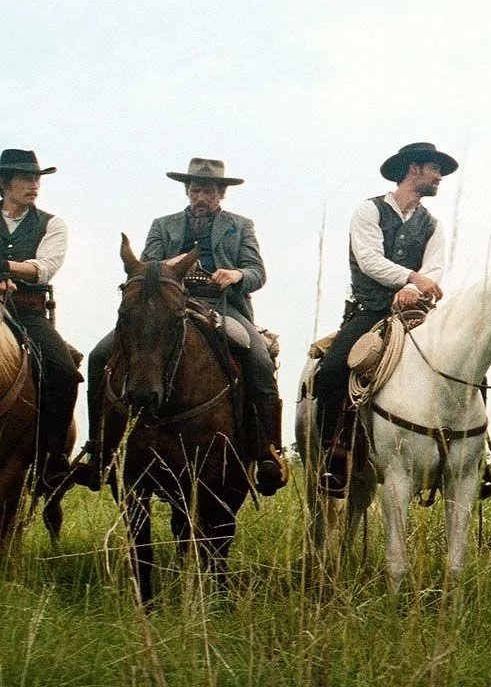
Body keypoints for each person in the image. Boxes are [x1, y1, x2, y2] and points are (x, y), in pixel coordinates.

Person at [77, 158, 287, 496]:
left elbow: (256, 272)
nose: (200, 196)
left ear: (221, 193)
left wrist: (235, 275)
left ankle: (267, 451)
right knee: (100, 353)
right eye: (195, 189)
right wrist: (168, 270)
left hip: (222, 305)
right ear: (188, 191)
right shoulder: (163, 226)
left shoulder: (241, 226)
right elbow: (145, 267)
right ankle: (99, 450)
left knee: (257, 355)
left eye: (207, 190)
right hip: (167, 304)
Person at [313, 142, 454, 495]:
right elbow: (369, 259)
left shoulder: (433, 224)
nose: (439, 177)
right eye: (435, 169)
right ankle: (336, 452)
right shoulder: (369, 211)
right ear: (414, 169)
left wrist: (417, 289)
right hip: (370, 311)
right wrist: (410, 278)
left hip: (417, 313)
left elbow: (434, 268)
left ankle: (474, 457)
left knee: (466, 365)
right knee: (331, 371)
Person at [0, 149, 80, 495]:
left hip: (28, 311)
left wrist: (5, 269)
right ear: (5, 182)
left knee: (63, 372)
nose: (34, 185)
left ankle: (53, 459)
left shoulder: (52, 224)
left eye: (37, 178)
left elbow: (43, 267)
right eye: (26, 178)